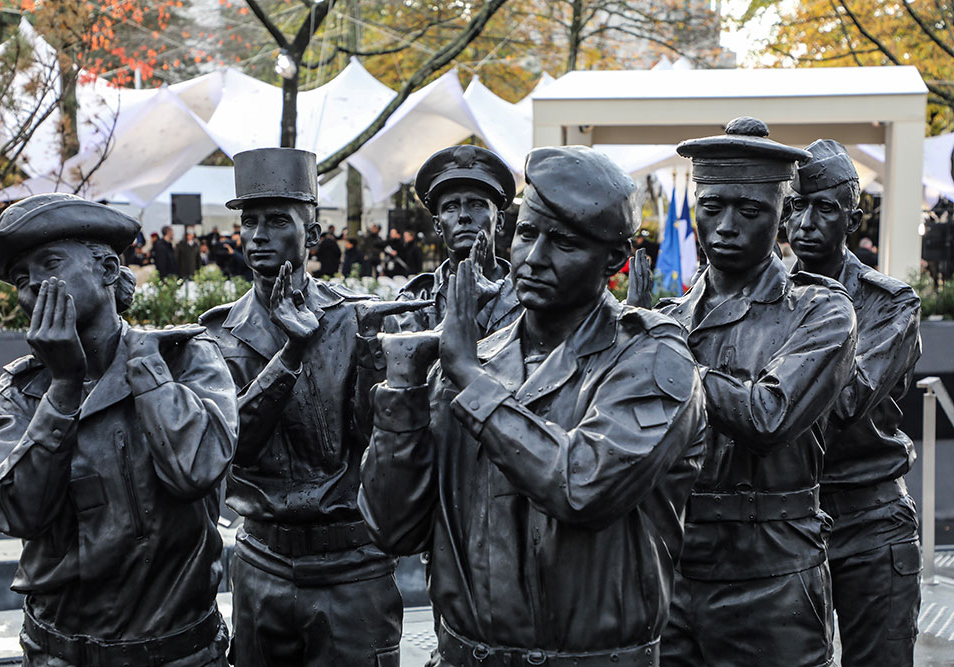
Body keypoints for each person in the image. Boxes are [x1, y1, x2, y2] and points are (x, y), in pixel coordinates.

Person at [360, 146, 708, 667]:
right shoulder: (476, 359)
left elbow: (582, 488)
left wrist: (471, 383)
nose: (534, 258)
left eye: (564, 242)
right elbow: (392, 529)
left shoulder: (653, 357)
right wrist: (403, 395)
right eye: (526, 233)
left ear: (614, 259)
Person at [0, 193, 238, 666]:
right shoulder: (18, 392)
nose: (33, 285)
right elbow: (13, 511)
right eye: (20, 278)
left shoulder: (185, 359)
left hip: (179, 654)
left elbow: (195, 470)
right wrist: (63, 389)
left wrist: (148, 373)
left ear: (109, 270)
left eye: (49, 262)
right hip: (60, 653)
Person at [631, 117, 857, 667]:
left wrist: (657, 355)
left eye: (749, 211)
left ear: (781, 215)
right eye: (711, 208)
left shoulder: (821, 310)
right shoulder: (666, 319)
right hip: (672, 571)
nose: (726, 226)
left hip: (774, 576)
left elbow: (768, 417)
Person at [200, 148, 427, 666]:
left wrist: (375, 357)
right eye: (249, 221)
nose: (258, 235)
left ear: (314, 236)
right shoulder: (216, 336)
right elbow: (231, 447)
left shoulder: (355, 322)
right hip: (261, 565)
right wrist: (292, 353)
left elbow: (376, 448)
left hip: (352, 568)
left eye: (278, 221)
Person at [786, 139, 922, 667]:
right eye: (796, 205)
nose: (806, 221)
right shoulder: (766, 298)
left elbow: (843, 403)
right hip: (790, 521)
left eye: (824, 207)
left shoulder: (889, 303)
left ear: (852, 217)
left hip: (870, 518)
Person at [388, 145, 522, 335]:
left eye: (476, 204)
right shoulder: (416, 299)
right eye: (451, 207)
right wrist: (464, 310)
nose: (464, 216)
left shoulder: (526, 293)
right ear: (437, 225)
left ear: (498, 220)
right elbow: (409, 360)